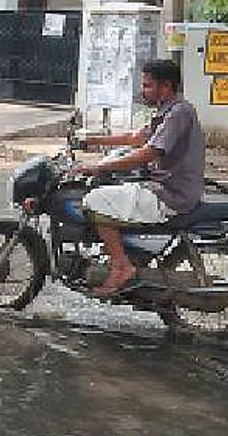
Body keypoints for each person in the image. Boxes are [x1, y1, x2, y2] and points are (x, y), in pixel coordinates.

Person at [73, 59, 206, 297]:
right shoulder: (168, 110)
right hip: (164, 187)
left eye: (147, 85)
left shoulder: (179, 113)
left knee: (94, 200)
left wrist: (99, 167)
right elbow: (137, 137)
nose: (143, 90)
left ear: (165, 86)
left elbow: (150, 152)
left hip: (169, 193)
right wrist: (90, 140)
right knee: (113, 189)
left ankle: (121, 265)